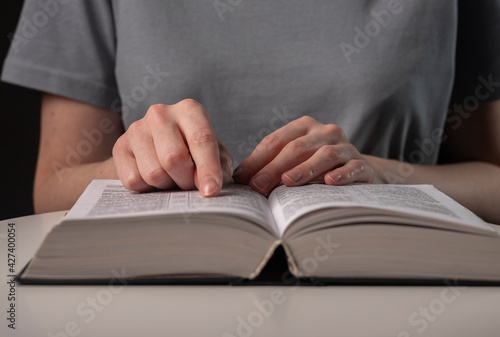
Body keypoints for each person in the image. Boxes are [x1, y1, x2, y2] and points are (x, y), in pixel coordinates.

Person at [2, 0, 500, 224]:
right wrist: (135, 164)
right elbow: (51, 189)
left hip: (400, 285)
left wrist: (386, 176)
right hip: (154, 290)